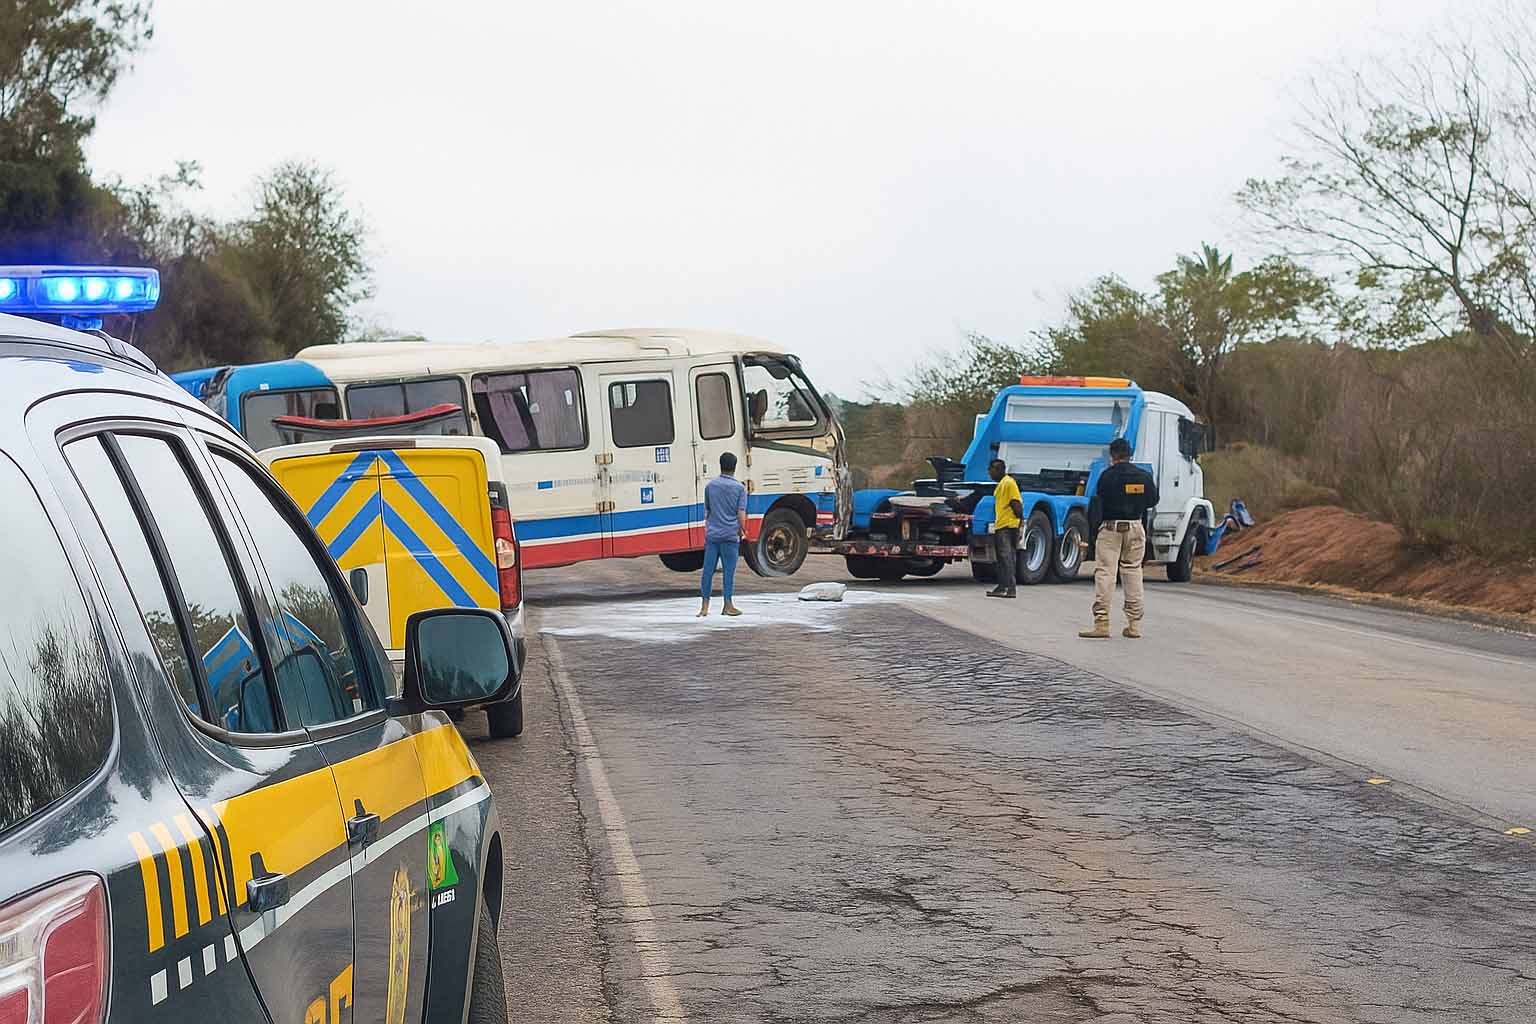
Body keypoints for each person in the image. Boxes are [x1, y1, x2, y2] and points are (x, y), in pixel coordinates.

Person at [1080, 437, 1159, 638]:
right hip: (1135, 527)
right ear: (1130, 454)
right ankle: (1134, 625)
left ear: (1112, 455)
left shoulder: (1107, 476)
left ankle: (1102, 623)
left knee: (1106, 573)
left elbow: (1099, 501)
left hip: (1110, 529)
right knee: (1133, 571)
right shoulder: (1143, 477)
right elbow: (1152, 500)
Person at [700, 451, 748, 617]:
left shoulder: (710, 486)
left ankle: (704, 607)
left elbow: (707, 511)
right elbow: (740, 512)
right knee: (728, 571)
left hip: (713, 536)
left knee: (708, 571)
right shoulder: (739, 488)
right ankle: (727, 605)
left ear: (721, 465)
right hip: (730, 537)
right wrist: (744, 529)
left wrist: (709, 528)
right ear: (734, 467)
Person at [986, 458, 1023, 598]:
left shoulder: (1008, 483)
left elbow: (1016, 503)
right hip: (1002, 525)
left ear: (999, 469)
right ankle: (1002, 586)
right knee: (1002, 558)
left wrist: (1020, 522)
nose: (990, 473)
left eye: (991, 470)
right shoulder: (1002, 484)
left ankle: (1010, 588)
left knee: (1007, 557)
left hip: (1008, 526)